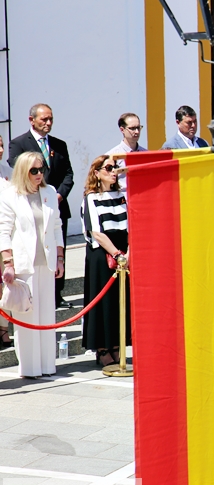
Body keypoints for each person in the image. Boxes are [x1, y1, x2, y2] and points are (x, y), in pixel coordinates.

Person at [0, 152, 65, 378]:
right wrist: (8, 262)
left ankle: (47, 366)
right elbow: (4, 230)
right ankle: (29, 368)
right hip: (23, 263)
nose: (39, 174)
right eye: (34, 170)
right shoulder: (10, 195)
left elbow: (57, 227)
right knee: (27, 316)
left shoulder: (49, 191)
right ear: (23, 171)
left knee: (47, 314)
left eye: (42, 169)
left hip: (46, 262)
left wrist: (60, 258)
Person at [9, 104, 74, 309]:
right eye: (44, 119)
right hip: (31, 208)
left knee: (56, 246)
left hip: (55, 206)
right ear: (32, 120)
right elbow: (17, 168)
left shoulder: (59, 145)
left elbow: (68, 175)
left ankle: (57, 293)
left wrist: (58, 195)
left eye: (51, 119)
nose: (48, 123)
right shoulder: (18, 143)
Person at [81, 155, 130, 367]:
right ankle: (102, 348)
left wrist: (128, 254)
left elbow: (132, 224)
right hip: (102, 255)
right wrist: (117, 254)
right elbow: (96, 232)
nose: (113, 171)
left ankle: (117, 344)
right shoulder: (91, 198)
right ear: (97, 173)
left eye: (115, 167)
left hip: (124, 253)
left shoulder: (122, 195)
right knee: (103, 302)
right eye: (108, 167)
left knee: (121, 300)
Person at [106, 112, 148, 194]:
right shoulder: (112, 156)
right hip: (123, 202)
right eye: (132, 128)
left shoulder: (146, 154)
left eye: (138, 128)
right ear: (122, 130)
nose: (137, 132)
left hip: (144, 199)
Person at [0, 136, 13, 347]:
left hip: (4, 236)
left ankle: (3, 328)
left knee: (5, 283)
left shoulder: (8, 173)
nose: (1, 149)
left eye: (2, 144)